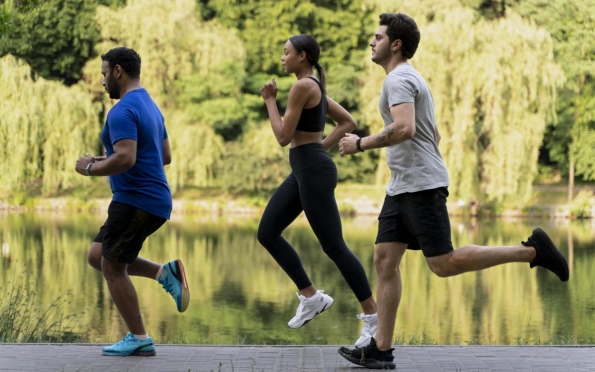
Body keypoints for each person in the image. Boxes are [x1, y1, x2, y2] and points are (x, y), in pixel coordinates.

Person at [337, 13, 569, 370]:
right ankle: (381, 348)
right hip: (403, 185)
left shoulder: (398, 78)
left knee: (442, 264)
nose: (372, 41)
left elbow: (404, 129)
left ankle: (532, 251)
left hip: (420, 185)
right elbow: (434, 134)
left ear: (395, 44)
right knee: (385, 258)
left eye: (378, 36)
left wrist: (361, 143)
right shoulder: (408, 78)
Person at [258, 34, 378, 347]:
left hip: (311, 171)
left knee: (334, 246)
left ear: (304, 56)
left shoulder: (303, 86)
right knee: (267, 232)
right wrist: (320, 148)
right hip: (306, 169)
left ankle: (373, 317)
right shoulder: (315, 88)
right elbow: (347, 122)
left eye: (286, 52)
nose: (282, 58)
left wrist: (270, 100)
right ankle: (311, 297)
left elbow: (283, 136)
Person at [75, 47, 189, 357]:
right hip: (151, 199)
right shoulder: (151, 106)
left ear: (118, 72)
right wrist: (106, 158)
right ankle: (164, 273)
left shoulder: (122, 110)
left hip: (135, 200)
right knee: (97, 254)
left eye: (103, 75)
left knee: (112, 268)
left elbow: (126, 157)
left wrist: (89, 168)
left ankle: (139, 336)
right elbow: (162, 156)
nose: (102, 83)